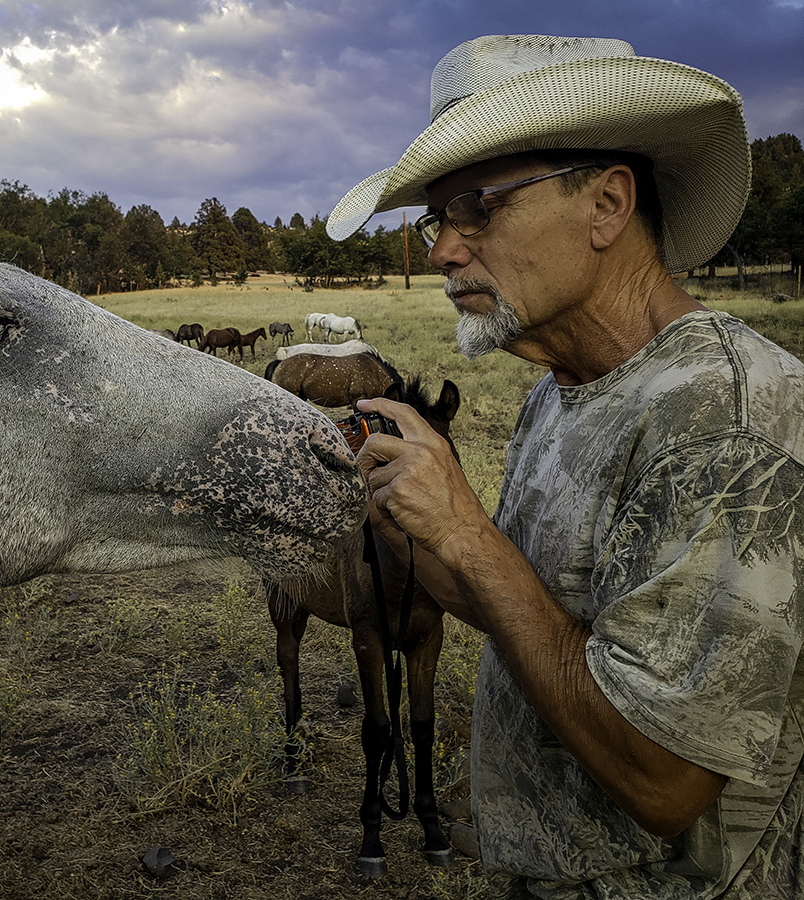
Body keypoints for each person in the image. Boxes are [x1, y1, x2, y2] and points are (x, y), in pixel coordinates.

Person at [327, 34, 804, 897]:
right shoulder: (563, 389)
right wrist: (402, 511)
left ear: (608, 204)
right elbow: (510, 604)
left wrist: (468, 532)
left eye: (477, 207)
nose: (441, 250)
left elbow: (666, 782)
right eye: (439, 218)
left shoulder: (726, 424)